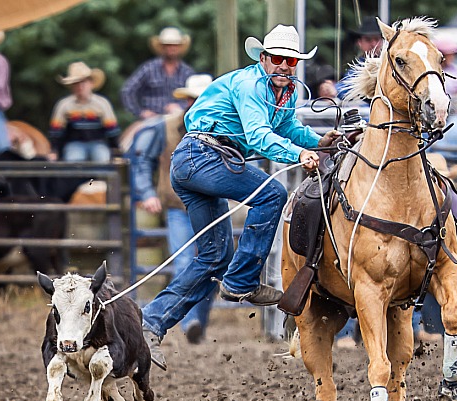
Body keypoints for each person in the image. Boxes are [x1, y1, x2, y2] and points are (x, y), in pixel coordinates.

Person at [141, 24, 341, 369]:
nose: (284, 66)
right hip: (204, 155)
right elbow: (261, 135)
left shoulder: (285, 92)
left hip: (198, 160)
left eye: (291, 61)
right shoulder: (251, 85)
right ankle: (241, 281)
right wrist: (297, 154)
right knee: (272, 193)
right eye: (278, 59)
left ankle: (151, 323)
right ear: (264, 59)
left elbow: (287, 128)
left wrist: (318, 141)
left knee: (214, 256)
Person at [128, 74, 214, 344]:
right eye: (194, 99)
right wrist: (147, 192)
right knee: (185, 261)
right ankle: (190, 321)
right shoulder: (164, 127)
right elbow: (141, 161)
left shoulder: (219, 126)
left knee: (212, 266)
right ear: (187, 100)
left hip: (209, 205)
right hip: (179, 206)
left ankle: (197, 322)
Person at [415, 154, 457, 343]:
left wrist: (451, 250)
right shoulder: (418, 202)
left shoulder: (451, 199)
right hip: (428, 256)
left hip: (456, 253)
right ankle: (435, 328)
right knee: (423, 276)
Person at [48, 62, 120, 161]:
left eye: (83, 82)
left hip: (98, 143)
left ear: (91, 83)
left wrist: (116, 149)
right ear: (72, 86)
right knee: (74, 162)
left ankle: (100, 177)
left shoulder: (102, 103)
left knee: (103, 161)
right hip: (74, 144)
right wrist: (54, 150)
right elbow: (56, 132)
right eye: (76, 83)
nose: (80, 86)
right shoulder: (64, 105)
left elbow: (112, 130)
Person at [121, 27, 195, 120]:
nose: (171, 48)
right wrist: (140, 112)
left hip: (179, 119)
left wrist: (180, 107)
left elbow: (195, 96)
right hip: (152, 119)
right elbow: (127, 90)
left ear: (180, 47)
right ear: (162, 47)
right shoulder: (148, 68)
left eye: (175, 45)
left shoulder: (187, 72)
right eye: (168, 45)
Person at [335, 16, 382, 100]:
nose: (373, 44)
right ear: (359, 42)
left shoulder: (389, 64)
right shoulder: (358, 68)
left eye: (377, 39)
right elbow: (344, 87)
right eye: (368, 40)